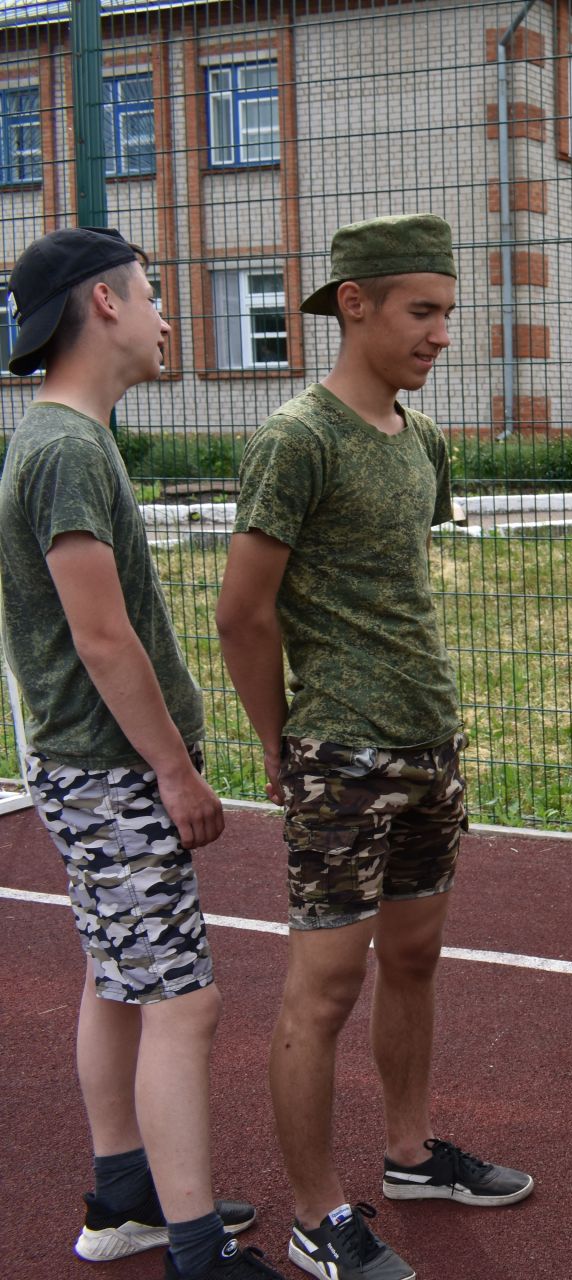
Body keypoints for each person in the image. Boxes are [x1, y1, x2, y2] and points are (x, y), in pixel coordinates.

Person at [216, 215, 532, 1280]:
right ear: (355, 304)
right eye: (422, 311)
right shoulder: (296, 439)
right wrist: (279, 744)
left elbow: (395, 588)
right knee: (323, 988)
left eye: (448, 312)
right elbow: (241, 615)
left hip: (426, 741)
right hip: (340, 754)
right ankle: (316, 1216)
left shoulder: (419, 437)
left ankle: (408, 1155)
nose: (442, 334)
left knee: (415, 956)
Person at [0, 228, 283, 1278]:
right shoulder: (69, 447)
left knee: (120, 979)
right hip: (110, 770)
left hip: (83, 768)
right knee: (183, 997)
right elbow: (102, 635)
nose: (168, 316)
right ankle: (199, 1251)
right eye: (156, 294)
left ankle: (126, 1194)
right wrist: (174, 768)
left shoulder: (57, 438)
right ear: (104, 304)